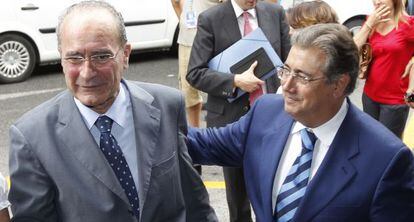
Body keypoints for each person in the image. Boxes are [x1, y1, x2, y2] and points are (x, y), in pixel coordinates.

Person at [8, 1, 217, 222]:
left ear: (125, 55)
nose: (87, 72)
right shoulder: (32, 137)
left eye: (101, 56)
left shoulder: (167, 105)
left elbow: (195, 204)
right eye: (75, 58)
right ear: (61, 58)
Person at [186, 23, 414, 221]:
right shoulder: (265, 113)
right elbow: (202, 144)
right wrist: (154, 113)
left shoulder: (387, 160)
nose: (286, 85)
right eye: (285, 70)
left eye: (302, 76)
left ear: (339, 84)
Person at [186, 0, 291, 221]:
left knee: (275, 190)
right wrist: (234, 81)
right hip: (232, 121)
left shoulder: (275, 13)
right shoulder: (211, 19)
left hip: (272, 118)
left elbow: (288, 61)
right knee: (238, 199)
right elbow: (195, 73)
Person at [171, 0, 226, 174]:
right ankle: (194, 141)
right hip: (187, 39)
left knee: (221, 85)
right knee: (189, 92)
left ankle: (223, 137)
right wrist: (185, 22)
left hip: (215, 37)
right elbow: (175, 2)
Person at [353, 0, 414, 138]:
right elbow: (351, 49)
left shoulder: (408, 24)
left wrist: (411, 87)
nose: (377, 1)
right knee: (369, 138)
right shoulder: (371, 20)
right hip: (369, 95)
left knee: (388, 147)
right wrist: (369, 24)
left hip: (394, 102)